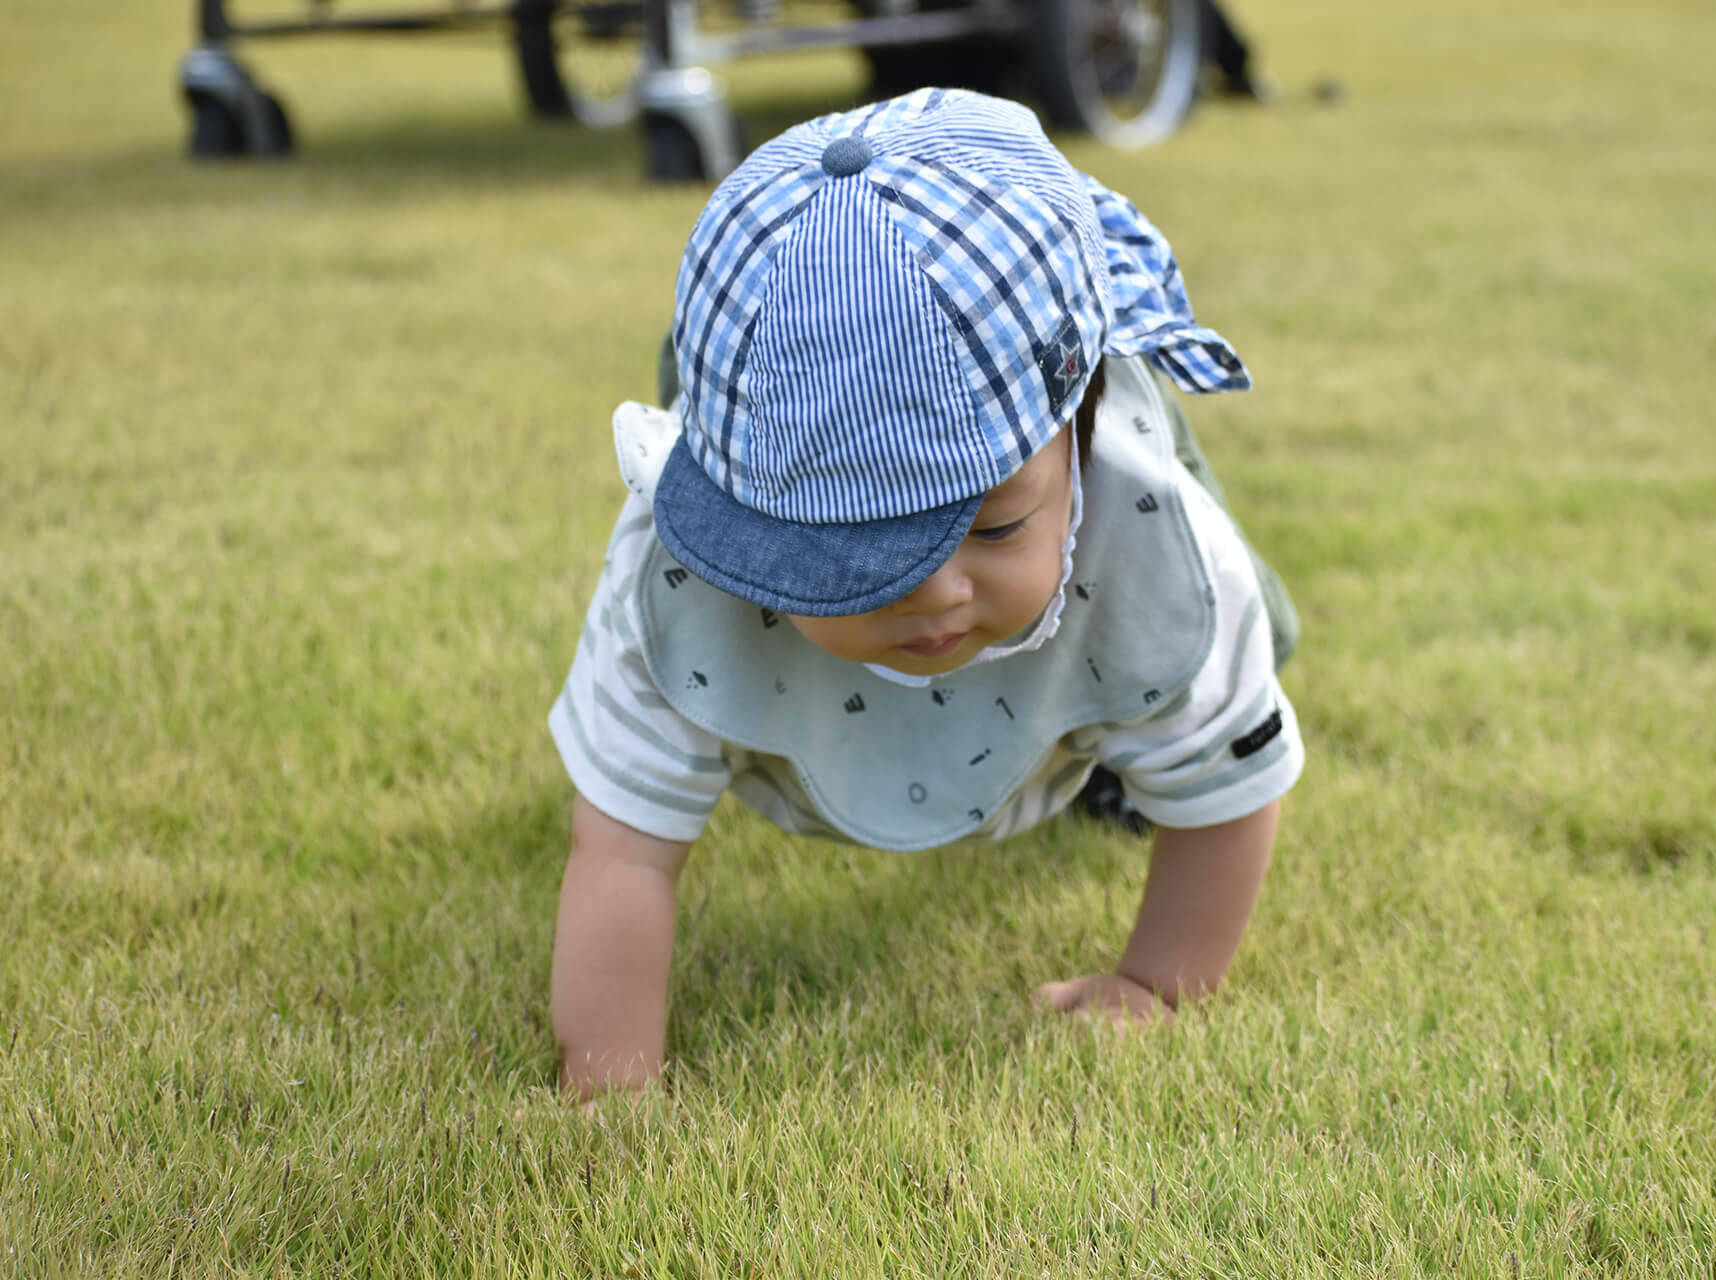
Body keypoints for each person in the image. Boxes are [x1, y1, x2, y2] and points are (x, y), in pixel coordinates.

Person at [547, 88, 1304, 1100]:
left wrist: (1156, 984)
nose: (936, 589)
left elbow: (1230, 786)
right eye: (863, 550)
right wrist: (609, 1082)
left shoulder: (1149, 539)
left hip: (1108, 576)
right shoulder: (683, 584)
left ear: (1078, 435)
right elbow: (624, 852)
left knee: (1193, 666)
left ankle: (1112, 760)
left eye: (992, 524)